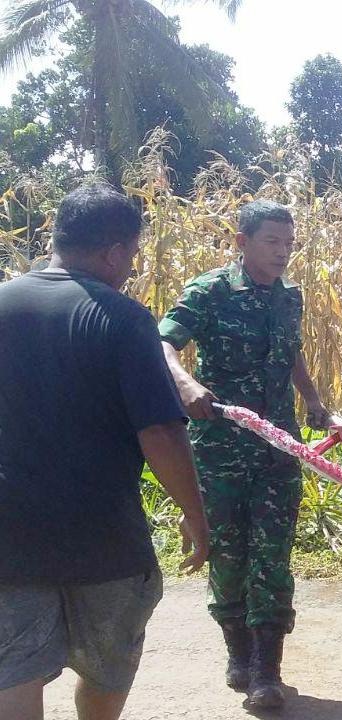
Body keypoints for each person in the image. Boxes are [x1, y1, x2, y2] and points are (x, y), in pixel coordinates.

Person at [0, 184, 209, 720]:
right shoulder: (123, 318)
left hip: (10, 539)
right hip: (106, 542)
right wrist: (194, 513)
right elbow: (160, 433)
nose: (132, 266)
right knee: (106, 670)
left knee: (15, 672)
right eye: (132, 254)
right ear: (114, 251)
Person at [158, 199, 331, 709]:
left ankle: (266, 670)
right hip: (220, 451)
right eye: (272, 242)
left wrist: (314, 398)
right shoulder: (209, 292)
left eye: (290, 243)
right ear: (242, 243)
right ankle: (237, 650)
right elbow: (161, 343)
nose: (283, 253)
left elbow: (292, 350)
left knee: (273, 556)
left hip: (277, 448)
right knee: (229, 554)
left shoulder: (289, 298)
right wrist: (187, 384)